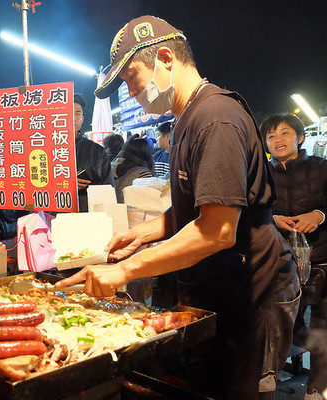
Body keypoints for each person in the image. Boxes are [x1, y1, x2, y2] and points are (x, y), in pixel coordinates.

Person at [57, 15, 299, 400]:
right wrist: (144, 233)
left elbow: (217, 230)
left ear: (166, 58)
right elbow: (201, 206)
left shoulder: (214, 118)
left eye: (131, 77)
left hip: (252, 288)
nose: (130, 91)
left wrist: (124, 270)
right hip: (219, 283)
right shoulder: (186, 116)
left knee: (238, 391)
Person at [261, 113, 327, 400]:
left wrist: (319, 214)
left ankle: (317, 389)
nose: (278, 140)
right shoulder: (261, 172)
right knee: (283, 322)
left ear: (300, 137)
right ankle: (269, 376)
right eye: (272, 135)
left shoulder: (321, 167)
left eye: (285, 133)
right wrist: (273, 219)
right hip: (279, 261)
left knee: (323, 324)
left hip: (321, 257)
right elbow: (250, 209)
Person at [74, 93, 114, 212]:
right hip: (54, 219)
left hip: (89, 217)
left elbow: (108, 188)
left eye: (77, 114)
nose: (73, 118)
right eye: (67, 113)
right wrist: (65, 184)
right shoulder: (47, 150)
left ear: (82, 119)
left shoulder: (97, 151)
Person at [114, 137, 154, 203]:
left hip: (112, 209)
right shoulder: (143, 173)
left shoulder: (113, 167)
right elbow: (148, 200)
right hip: (132, 211)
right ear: (147, 153)